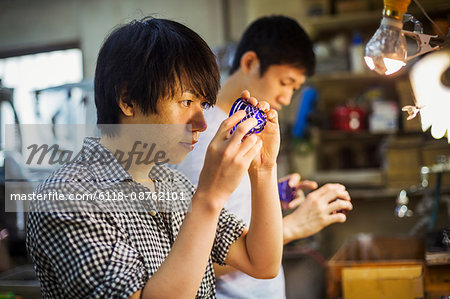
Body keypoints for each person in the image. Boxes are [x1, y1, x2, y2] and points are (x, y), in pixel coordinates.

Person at [26, 17, 284, 298]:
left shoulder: (174, 186)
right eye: (186, 102)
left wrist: (264, 169)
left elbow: (261, 262)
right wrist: (210, 198)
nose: (202, 123)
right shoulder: (65, 199)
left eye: (204, 105)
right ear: (127, 100)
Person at [171, 15, 353, 298]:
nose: (287, 98)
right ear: (250, 63)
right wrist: (293, 226)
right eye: (285, 82)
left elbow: (228, 210)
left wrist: (270, 195)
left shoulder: (243, 128)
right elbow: (190, 254)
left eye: (295, 88)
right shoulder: (203, 135)